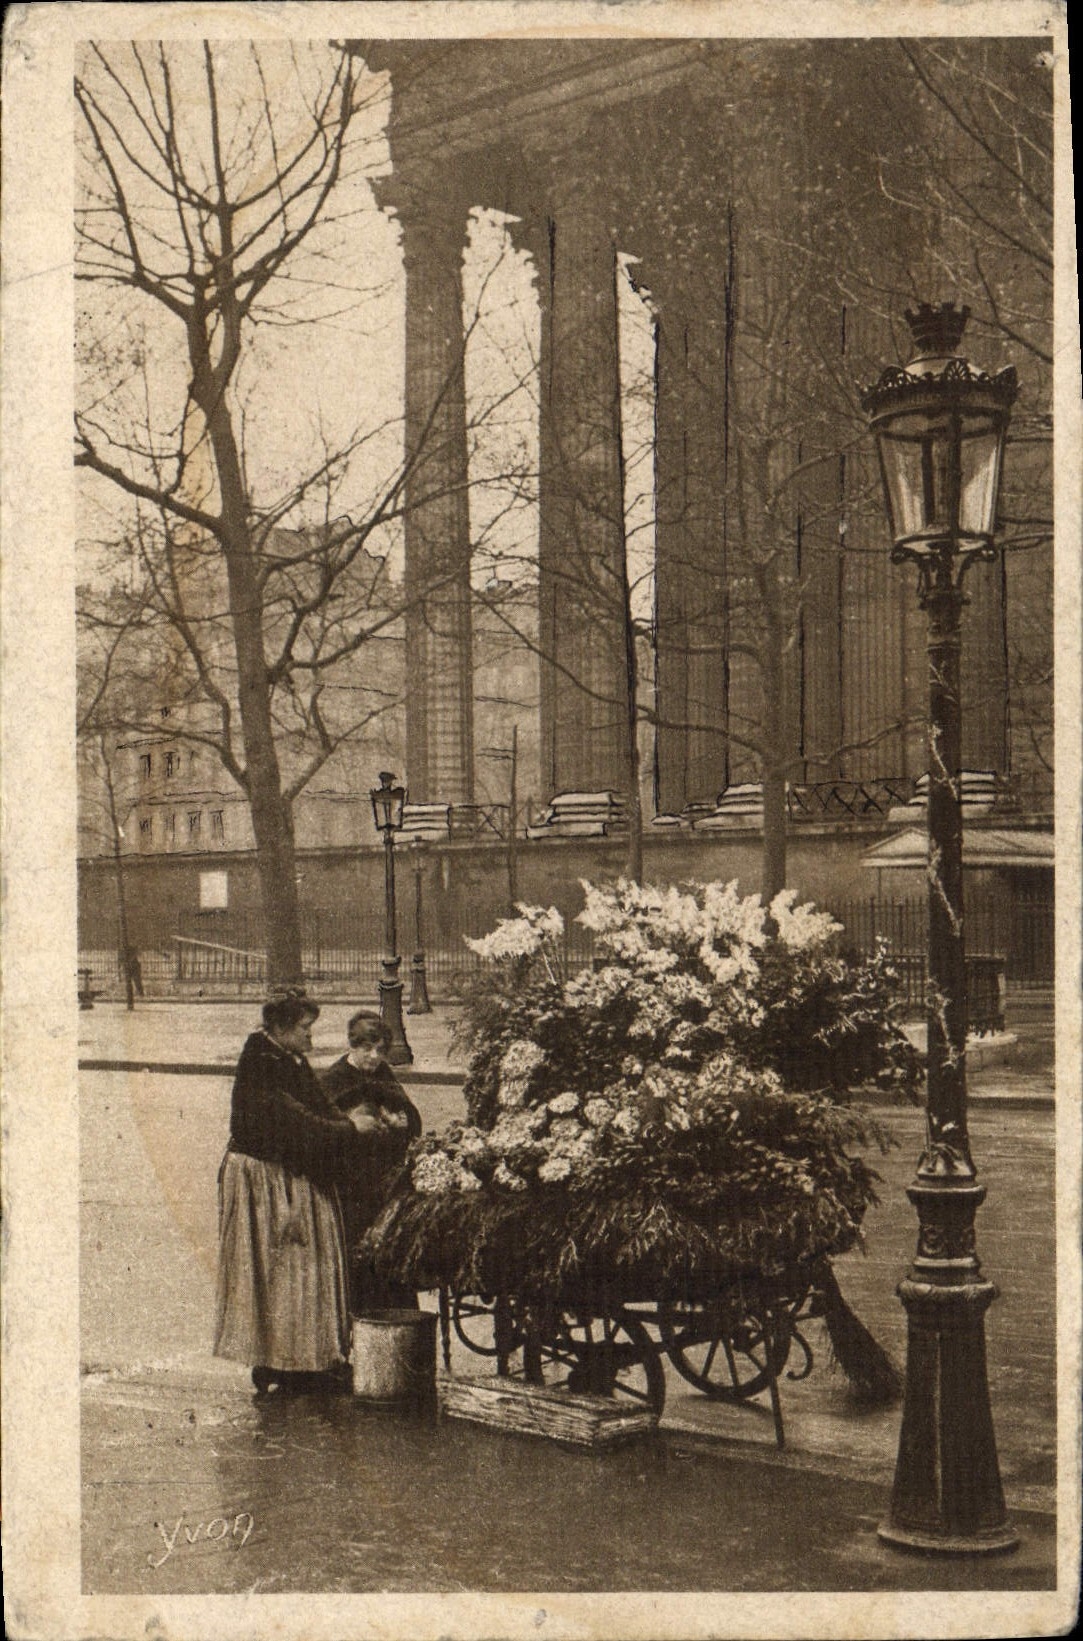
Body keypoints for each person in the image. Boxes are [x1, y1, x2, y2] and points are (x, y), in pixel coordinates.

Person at [213, 994, 368, 1396]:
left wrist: (348, 1121)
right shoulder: (262, 1064)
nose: (310, 1035)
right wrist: (350, 1129)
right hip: (266, 1180)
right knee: (284, 1269)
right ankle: (284, 1362)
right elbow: (294, 1122)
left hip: (286, 1173)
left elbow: (316, 1104)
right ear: (281, 1029)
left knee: (298, 1268)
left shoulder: (288, 1058)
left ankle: (304, 1360)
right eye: (304, 1028)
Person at [321, 1010, 422, 1313]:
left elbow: (409, 1118)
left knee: (389, 1254)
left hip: (384, 1185)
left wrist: (401, 1122)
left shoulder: (383, 1075)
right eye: (366, 1048)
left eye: (380, 1050)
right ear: (352, 1045)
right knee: (357, 1259)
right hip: (350, 1188)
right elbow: (322, 1129)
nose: (373, 1057)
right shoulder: (334, 1080)